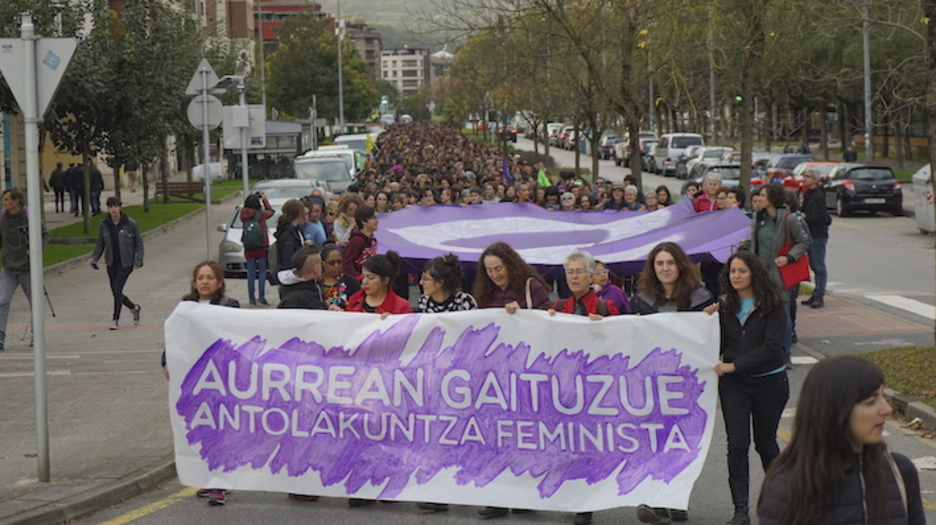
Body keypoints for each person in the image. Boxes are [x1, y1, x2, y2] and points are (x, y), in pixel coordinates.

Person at [757, 356, 924, 525]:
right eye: (871, 402)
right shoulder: (787, 487)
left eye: (883, 397)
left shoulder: (900, 471)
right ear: (835, 410)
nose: (887, 409)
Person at [631, 241, 713, 525]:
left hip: (686, 384)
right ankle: (656, 500)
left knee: (682, 443)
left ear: (680, 265)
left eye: (670, 262)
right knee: (654, 441)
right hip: (652, 383)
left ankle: (677, 500)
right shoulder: (641, 299)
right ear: (652, 268)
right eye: (659, 263)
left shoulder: (700, 298)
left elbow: (709, 339)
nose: (665, 268)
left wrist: (709, 321)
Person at [707, 251, 788, 525]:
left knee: (765, 444)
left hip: (770, 383)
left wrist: (735, 365)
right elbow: (714, 343)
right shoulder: (724, 306)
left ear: (754, 273)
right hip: (735, 387)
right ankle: (740, 512)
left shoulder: (773, 305)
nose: (737, 276)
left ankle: (783, 502)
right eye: (732, 271)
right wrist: (706, 322)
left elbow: (772, 347)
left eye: (742, 270)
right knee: (737, 445)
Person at [548, 251, 621, 525]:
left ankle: (586, 503)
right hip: (565, 388)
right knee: (567, 443)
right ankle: (574, 494)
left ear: (591, 276)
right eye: (570, 272)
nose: (574, 276)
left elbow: (624, 341)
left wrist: (605, 328)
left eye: (579, 271)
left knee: (590, 444)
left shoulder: (605, 307)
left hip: (595, 389)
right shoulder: (558, 307)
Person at [161, 260, 239, 506]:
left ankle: (220, 483)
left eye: (210, 277)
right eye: (201, 278)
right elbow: (173, 337)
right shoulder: (185, 307)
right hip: (194, 380)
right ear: (194, 283)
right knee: (200, 429)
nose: (205, 282)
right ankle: (206, 476)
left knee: (220, 430)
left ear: (220, 282)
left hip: (220, 379)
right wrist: (166, 360)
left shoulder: (229, 306)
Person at [747, 184, 810, 363]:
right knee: (761, 313)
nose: (760, 199)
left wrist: (788, 257)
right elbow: (755, 243)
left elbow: (804, 241)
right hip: (761, 274)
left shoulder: (788, 219)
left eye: (763, 195)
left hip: (780, 275)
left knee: (782, 314)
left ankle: (785, 354)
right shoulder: (758, 217)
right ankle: (765, 353)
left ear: (773, 198)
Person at [0, 188, 49, 350]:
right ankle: (0, 336)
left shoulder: (30, 216)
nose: (4, 202)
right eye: (4, 199)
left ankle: (37, 334)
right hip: (9, 267)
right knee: (2, 301)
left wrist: (36, 248)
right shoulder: (2, 217)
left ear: (17, 201)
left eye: (7, 199)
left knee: (35, 302)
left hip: (28, 268)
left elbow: (45, 235)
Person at [89, 197, 143, 330]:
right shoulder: (104, 225)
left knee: (117, 289)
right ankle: (134, 307)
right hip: (111, 262)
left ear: (120, 207)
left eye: (115, 206)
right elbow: (100, 244)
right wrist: (95, 258)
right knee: (116, 292)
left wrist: (138, 260)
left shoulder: (130, 223)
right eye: (110, 207)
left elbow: (139, 243)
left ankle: (115, 319)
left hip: (126, 262)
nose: (113, 210)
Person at [473, 241, 551, 313]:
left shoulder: (532, 288)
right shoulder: (483, 293)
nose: (495, 275)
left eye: (498, 269)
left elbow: (545, 318)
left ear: (510, 266)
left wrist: (521, 313)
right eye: (489, 270)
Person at [800, 169, 831, 309]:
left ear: (815, 180)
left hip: (818, 234)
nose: (805, 179)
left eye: (808, 176)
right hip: (809, 233)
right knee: (813, 264)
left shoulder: (818, 195)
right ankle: (816, 292)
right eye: (804, 176)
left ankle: (819, 295)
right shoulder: (808, 194)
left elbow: (824, 218)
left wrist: (807, 218)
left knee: (819, 265)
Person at [345, 251, 412, 315]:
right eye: (363, 277)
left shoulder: (402, 306)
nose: (364, 282)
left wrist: (392, 320)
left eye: (371, 278)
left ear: (385, 280)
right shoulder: (354, 300)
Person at [240, 192, 274, 306]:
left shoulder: (243, 214)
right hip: (261, 246)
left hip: (248, 247)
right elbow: (271, 211)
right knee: (262, 272)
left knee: (251, 273)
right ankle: (261, 297)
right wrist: (264, 200)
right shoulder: (262, 214)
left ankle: (251, 298)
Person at [343, 205, 378, 281]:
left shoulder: (372, 239)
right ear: (363, 221)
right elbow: (347, 264)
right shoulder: (357, 241)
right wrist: (359, 278)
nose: (377, 221)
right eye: (374, 218)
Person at [274, 199, 308, 275]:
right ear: (299, 213)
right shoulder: (287, 234)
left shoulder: (298, 230)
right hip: (290, 274)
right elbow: (287, 257)